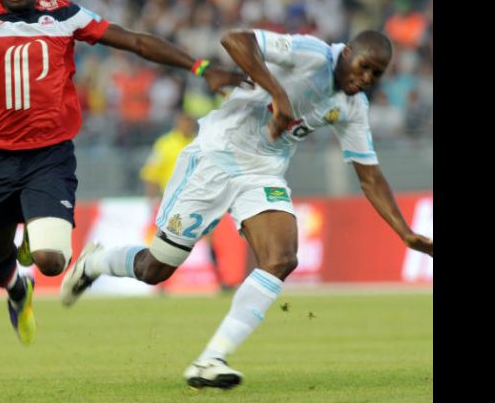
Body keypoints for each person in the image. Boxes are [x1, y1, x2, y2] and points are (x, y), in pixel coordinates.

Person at [60, 28, 433, 388]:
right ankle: (95, 262)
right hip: (216, 157)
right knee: (155, 269)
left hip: (263, 173)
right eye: (364, 67)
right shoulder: (311, 54)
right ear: (348, 53)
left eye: (377, 74)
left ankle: (211, 359)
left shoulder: (352, 107)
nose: (366, 78)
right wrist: (278, 94)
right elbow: (236, 39)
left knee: (281, 258)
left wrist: (404, 232)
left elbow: (369, 176)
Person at [0, 0, 246, 346]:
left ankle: (36, 230)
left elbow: (132, 41)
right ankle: (16, 291)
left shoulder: (62, 14)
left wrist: (201, 67)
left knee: (51, 261)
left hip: (48, 156)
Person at [139, 111, 233, 292]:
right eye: (184, 123)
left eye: (189, 123)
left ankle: (220, 280)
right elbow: (151, 173)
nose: (187, 126)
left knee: (209, 240)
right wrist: (152, 201)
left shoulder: (199, 143)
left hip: (199, 199)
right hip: (174, 203)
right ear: (177, 123)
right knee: (168, 243)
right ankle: (160, 285)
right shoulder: (165, 144)